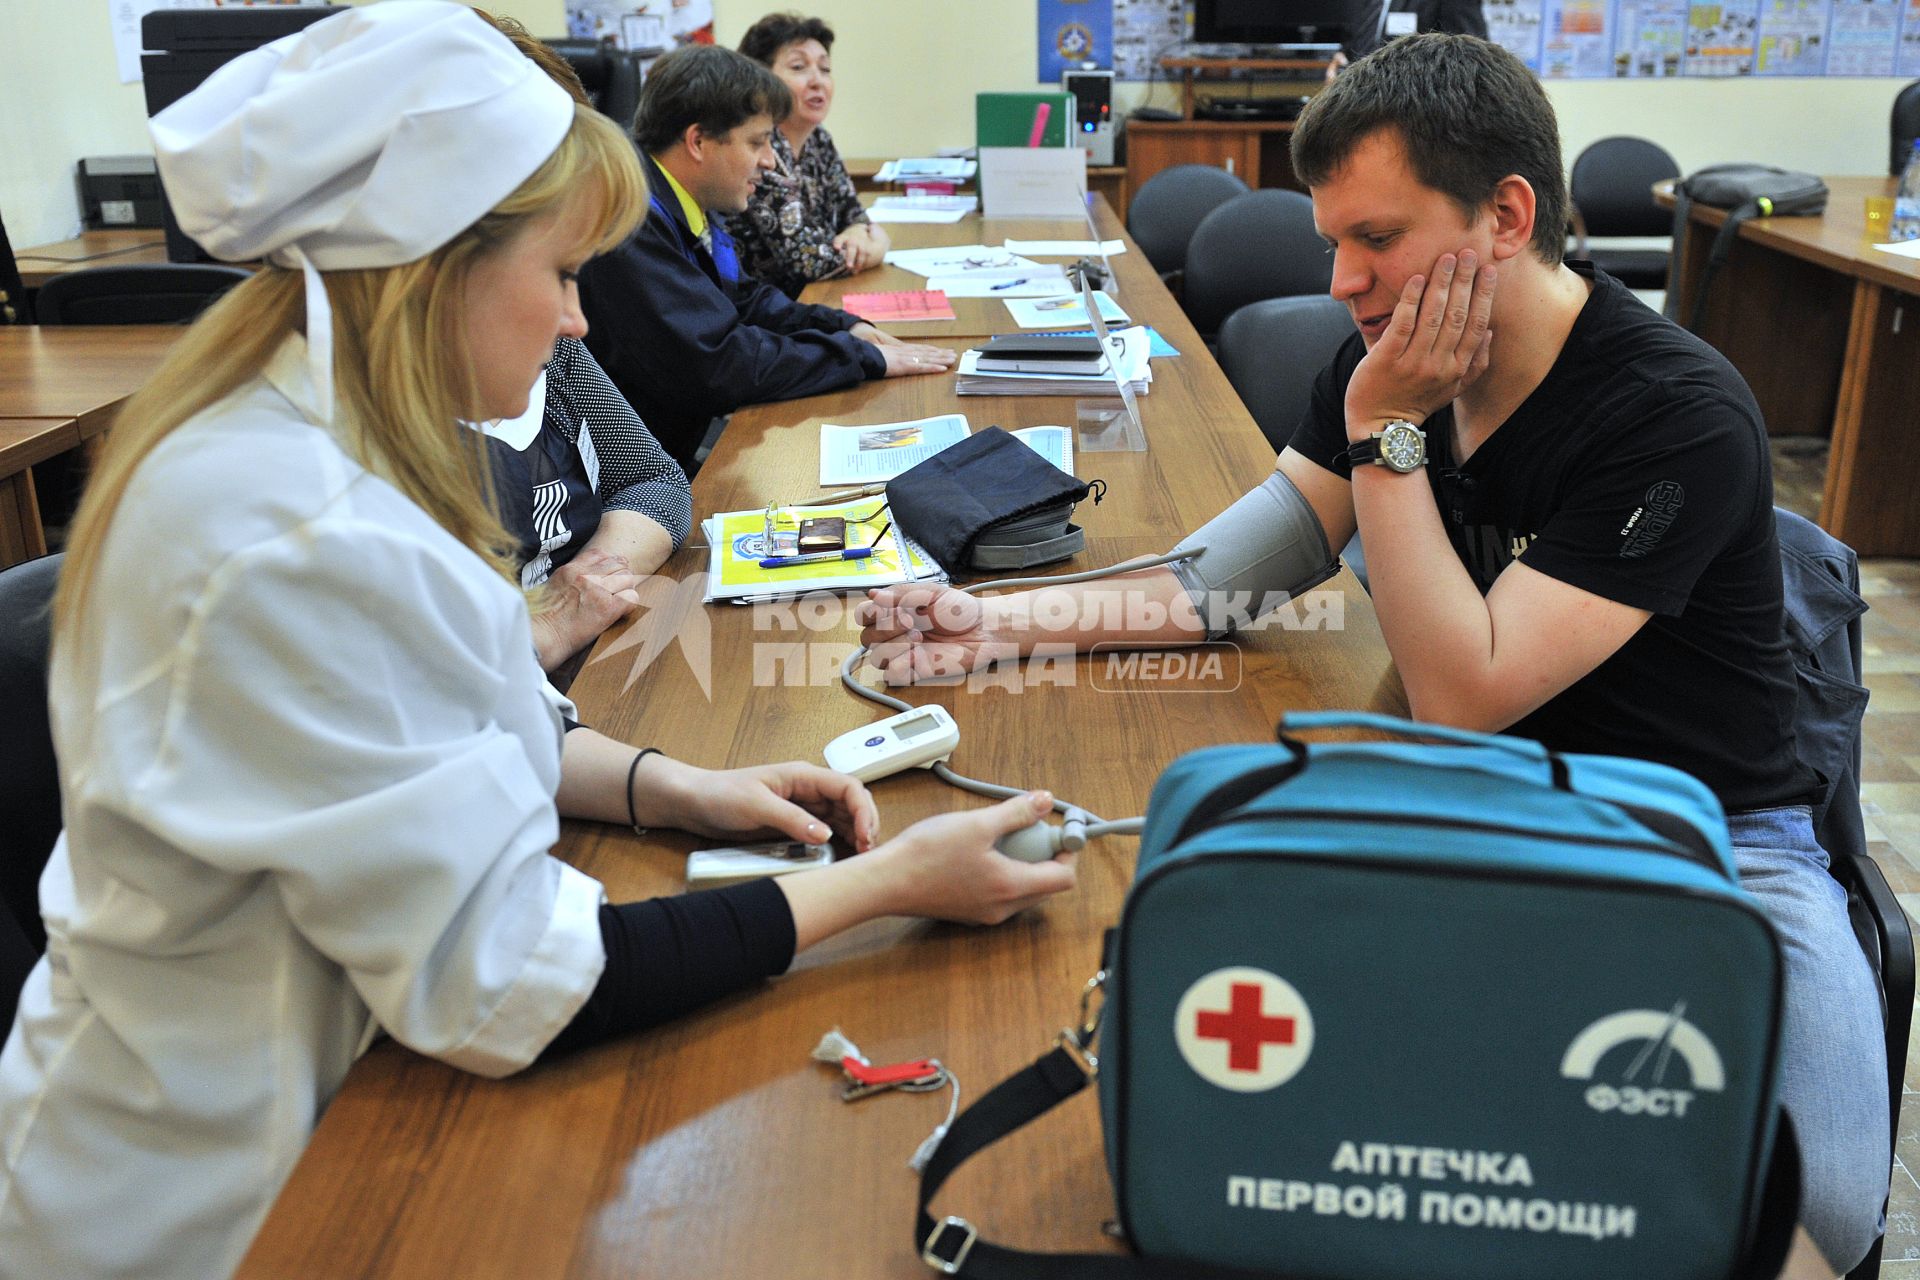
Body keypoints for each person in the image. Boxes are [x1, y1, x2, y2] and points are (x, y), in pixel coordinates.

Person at [0, 8, 1071, 1278]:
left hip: (307, 1105)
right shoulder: (298, 528)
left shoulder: (327, 442)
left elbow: (463, 711)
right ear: (434, 268)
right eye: (564, 273)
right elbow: (512, 987)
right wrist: (892, 885)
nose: (579, 322)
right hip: (213, 1202)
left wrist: (673, 783)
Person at [858, 33, 1887, 1272]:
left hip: (1711, 831)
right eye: (1331, 241)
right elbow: (1216, 584)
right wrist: (995, 624)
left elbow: (1464, 696)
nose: (1344, 280)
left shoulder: (1668, 407)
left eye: (1379, 240)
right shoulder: (1384, 360)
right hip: (1484, 808)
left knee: (1813, 1214)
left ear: (1507, 214)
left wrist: (1390, 434)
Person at [577, 43, 954, 471]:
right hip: (644, 477)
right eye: (757, 141)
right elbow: (720, 364)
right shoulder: (628, 218)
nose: (770, 161)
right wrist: (855, 357)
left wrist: (844, 326)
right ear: (698, 141)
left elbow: (742, 297)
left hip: (680, 444)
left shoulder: (683, 197)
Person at [469, 14, 692, 671]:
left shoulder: (547, 345)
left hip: (585, 677)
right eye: (560, 269)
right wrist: (543, 632)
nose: (575, 317)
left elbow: (654, 479)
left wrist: (589, 581)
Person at [731, 11, 889, 298]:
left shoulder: (817, 138)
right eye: (799, 67)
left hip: (814, 301)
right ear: (761, 78)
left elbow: (854, 215)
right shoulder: (760, 148)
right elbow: (808, 261)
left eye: (825, 69)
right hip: (764, 316)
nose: (818, 81)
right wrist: (877, 248)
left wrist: (856, 232)